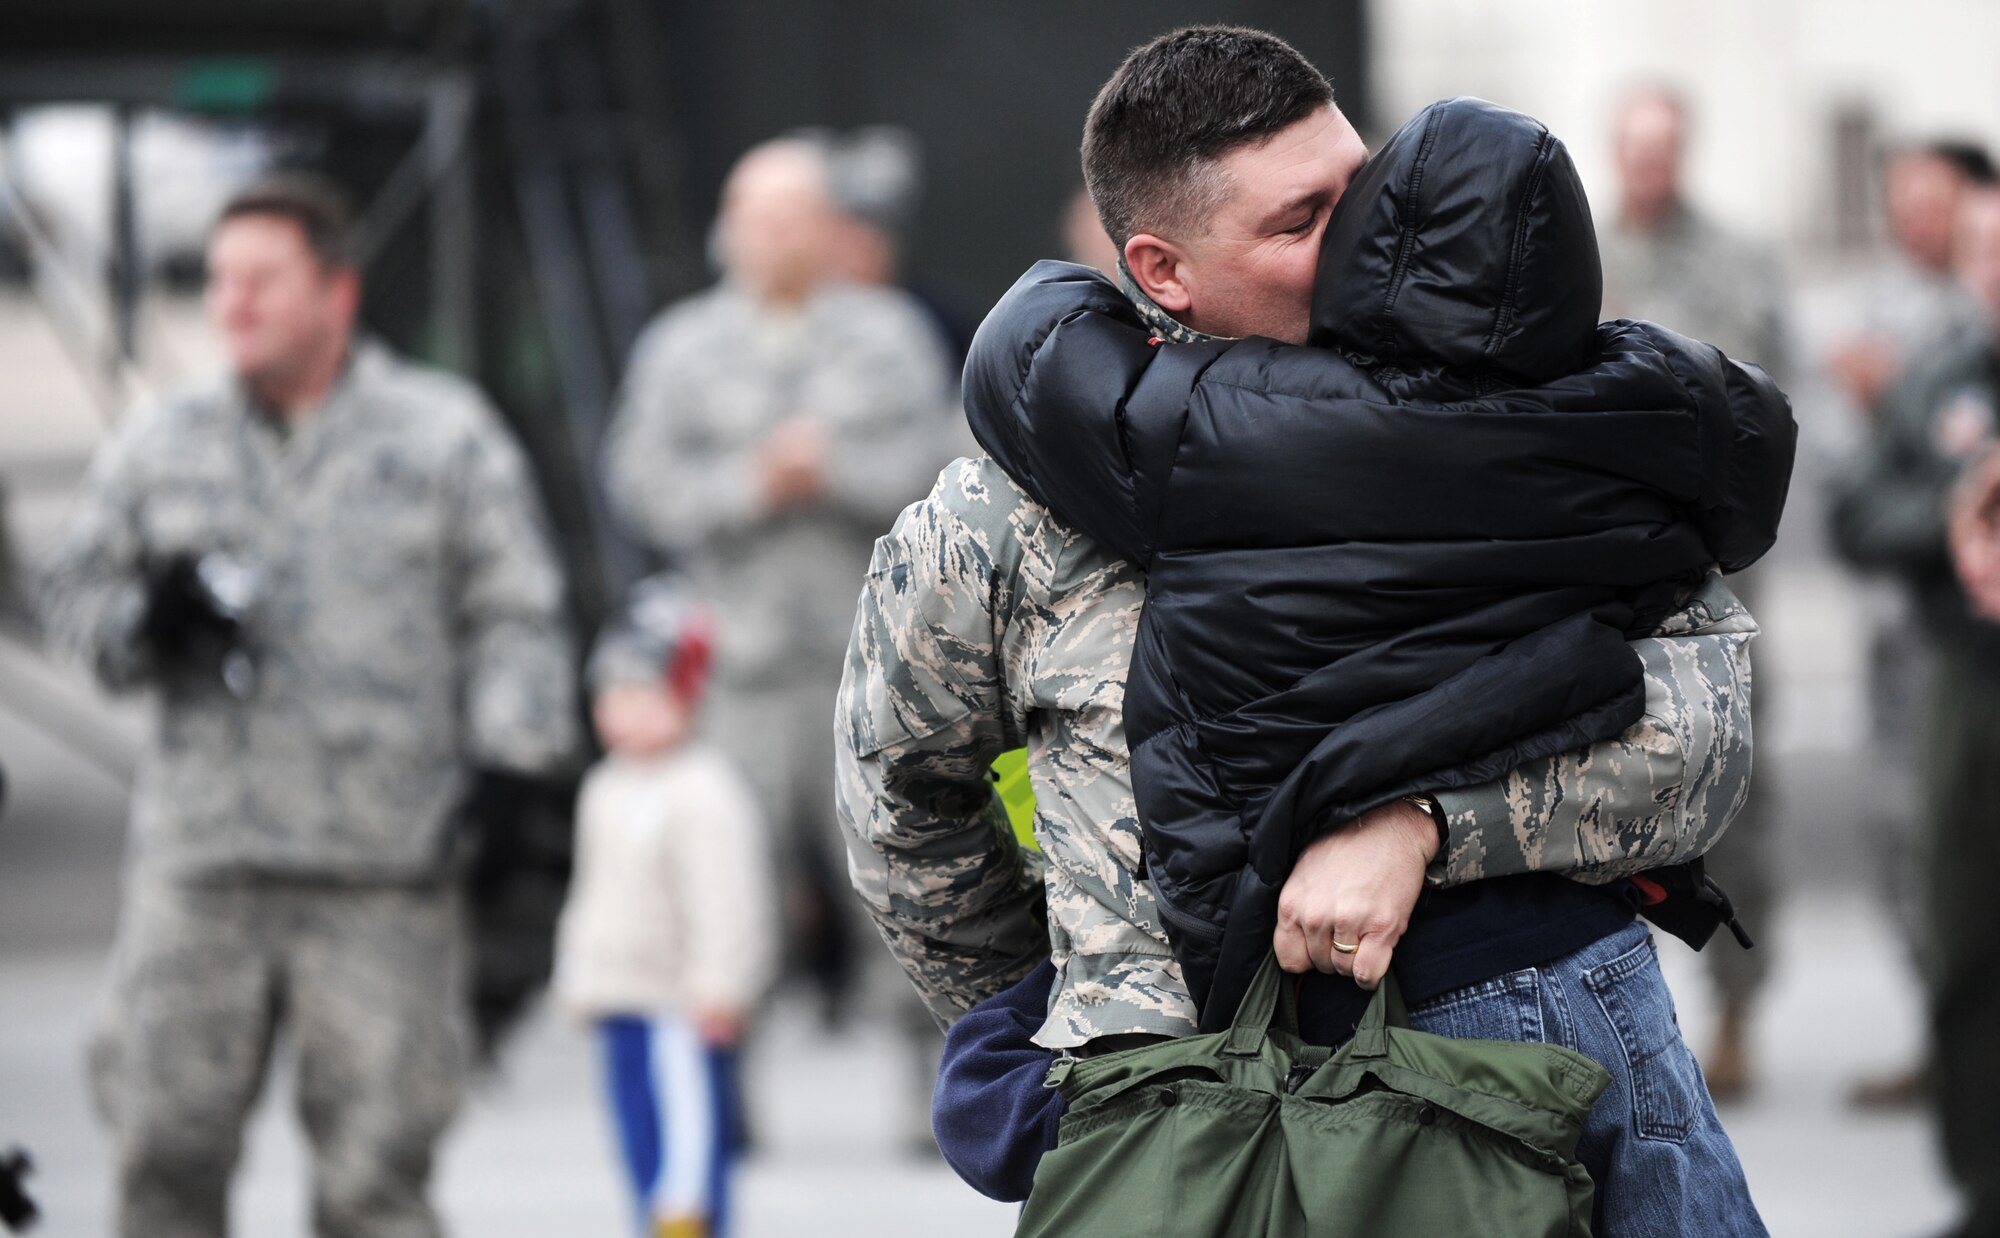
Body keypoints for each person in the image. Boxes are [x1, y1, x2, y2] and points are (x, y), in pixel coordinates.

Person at [839, 28, 1770, 1234]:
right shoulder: (1008, 517)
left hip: (1543, 1072)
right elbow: (899, 791)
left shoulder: (1526, 412)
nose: (1368, 240)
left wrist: (1425, 826)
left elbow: (1701, 730)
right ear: (1160, 269)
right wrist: (1051, 1005)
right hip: (1180, 1121)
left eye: (1364, 189)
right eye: (1299, 221)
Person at [39, 173, 578, 1238]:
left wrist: (515, 769)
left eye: (260, 280)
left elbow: (516, 613)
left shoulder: (442, 438)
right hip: (205, 863)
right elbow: (72, 594)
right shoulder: (164, 442)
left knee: (377, 1176)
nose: (230, 303)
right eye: (220, 280)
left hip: (382, 866)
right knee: (162, 1152)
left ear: (336, 292)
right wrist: (144, 618)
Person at [1598, 84, 1791, 1102]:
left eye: (1660, 149)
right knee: (1611, 791)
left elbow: (1765, 407)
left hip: (1715, 571)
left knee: (1739, 806)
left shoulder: (1736, 261)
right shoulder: (1581, 256)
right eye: (1631, 150)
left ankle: (1737, 1008)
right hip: (1608, 577)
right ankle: (1635, 1019)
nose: (1646, 168)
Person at [1832, 185, 2000, 1238]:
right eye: (1982, 252)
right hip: (1966, 679)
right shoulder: (1941, 380)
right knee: (1963, 932)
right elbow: (1853, 510)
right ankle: (1982, 1181)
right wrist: (1947, 520)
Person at [553, 575, 776, 1238]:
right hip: (621, 1001)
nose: (625, 711)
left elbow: (728, 898)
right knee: (641, 1150)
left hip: (680, 1009)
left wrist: (722, 985)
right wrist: (578, 973)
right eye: (611, 695)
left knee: (687, 1159)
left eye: (644, 694)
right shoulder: (604, 788)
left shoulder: (703, 791)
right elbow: (589, 893)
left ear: (686, 696)